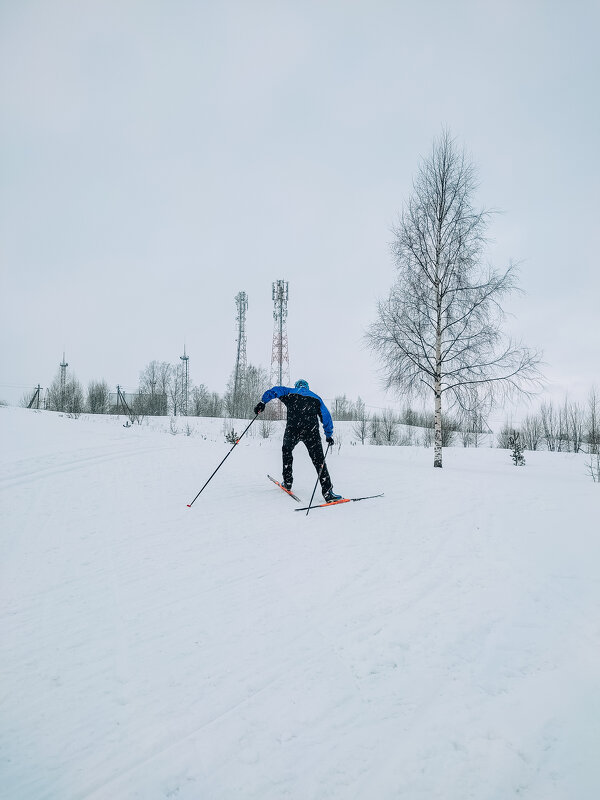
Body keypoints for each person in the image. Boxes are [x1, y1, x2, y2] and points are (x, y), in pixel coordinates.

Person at [254, 379, 342, 502]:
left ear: (297, 386)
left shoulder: (290, 392)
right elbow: (326, 416)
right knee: (319, 460)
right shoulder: (316, 398)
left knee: (287, 451)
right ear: (307, 387)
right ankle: (328, 492)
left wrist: (263, 402)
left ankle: (288, 482)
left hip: (293, 429)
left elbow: (275, 391)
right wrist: (328, 434)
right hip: (311, 431)